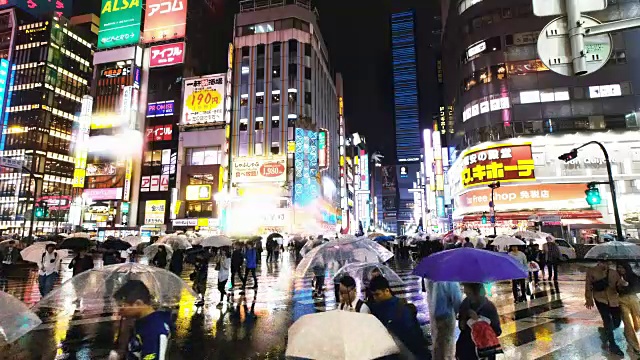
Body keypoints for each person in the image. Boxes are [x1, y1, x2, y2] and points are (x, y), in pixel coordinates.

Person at [369, 276, 430, 359]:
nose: (375, 298)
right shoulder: (378, 307)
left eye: (377, 294)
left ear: (387, 291)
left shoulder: (401, 309)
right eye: (373, 295)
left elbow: (413, 335)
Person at [110, 280, 173, 360]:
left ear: (138, 304)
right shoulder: (139, 321)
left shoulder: (155, 329)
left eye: (122, 306)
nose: (119, 311)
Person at [585, 260, 626, 356]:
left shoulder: (613, 272)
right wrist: (588, 299)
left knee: (617, 321)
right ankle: (612, 345)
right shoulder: (592, 271)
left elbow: (619, 285)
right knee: (607, 320)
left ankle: (606, 332)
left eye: (607, 263)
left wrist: (622, 284)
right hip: (600, 299)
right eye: (603, 262)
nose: (605, 265)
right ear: (599, 262)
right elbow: (588, 286)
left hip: (613, 299)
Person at [456, 283, 502, 360]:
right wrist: (466, 315)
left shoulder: (488, 307)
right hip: (473, 351)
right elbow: (462, 327)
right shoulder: (466, 304)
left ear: (475, 290)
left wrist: (480, 323)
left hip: (475, 351)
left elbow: (497, 331)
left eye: (467, 290)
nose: (464, 291)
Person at [425, 279, 462, 360]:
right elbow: (456, 298)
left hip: (434, 315)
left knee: (438, 343)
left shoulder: (430, 277)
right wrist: (461, 313)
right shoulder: (449, 278)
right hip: (447, 315)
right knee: (447, 345)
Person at [616, 261, 640, 354]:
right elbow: (613, 290)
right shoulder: (616, 277)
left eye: (622, 267)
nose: (620, 269)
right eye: (618, 267)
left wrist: (627, 285)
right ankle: (636, 346)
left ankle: (628, 334)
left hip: (634, 299)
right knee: (628, 322)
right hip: (622, 301)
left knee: (637, 322)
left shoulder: (633, 276)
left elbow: (637, 288)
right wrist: (618, 286)